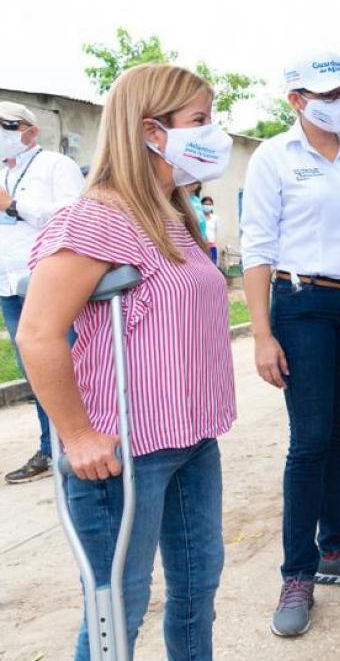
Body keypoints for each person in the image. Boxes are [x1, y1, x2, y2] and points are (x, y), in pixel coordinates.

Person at [17, 64, 236, 660]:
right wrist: (78, 434)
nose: (212, 134)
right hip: (122, 454)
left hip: (192, 439)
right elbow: (37, 332)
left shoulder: (174, 212)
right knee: (119, 604)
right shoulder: (97, 216)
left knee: (197, 590)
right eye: (199, 121)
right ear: (152, 131)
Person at [241, 51, 340, 638]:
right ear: (296, 100)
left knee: (339, 433)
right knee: (309, 441)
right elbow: (257, 249)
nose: (337, 102)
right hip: (302, 304)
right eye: (324, 93)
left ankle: (335, 548)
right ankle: (298, 572)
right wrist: (262, 335)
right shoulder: (272, 158)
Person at [0, 101, 84, 483]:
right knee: (36, 373)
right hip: (8, 284)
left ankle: (84, 440)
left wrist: (14, 206)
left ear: (29, 130)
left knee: (69, 367)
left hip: (49, 286)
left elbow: (72, 216)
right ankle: (51, 448)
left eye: (6, 126)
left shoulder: (56, 166)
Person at [202, 195, 219, 265]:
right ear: (201, 205)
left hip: (212, 248)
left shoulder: (215, 218)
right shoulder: (199, 218)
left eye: (210, 204)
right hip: (202, 247)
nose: (208, 206)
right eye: (206, 204)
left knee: (213, 267)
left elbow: (216, 232)